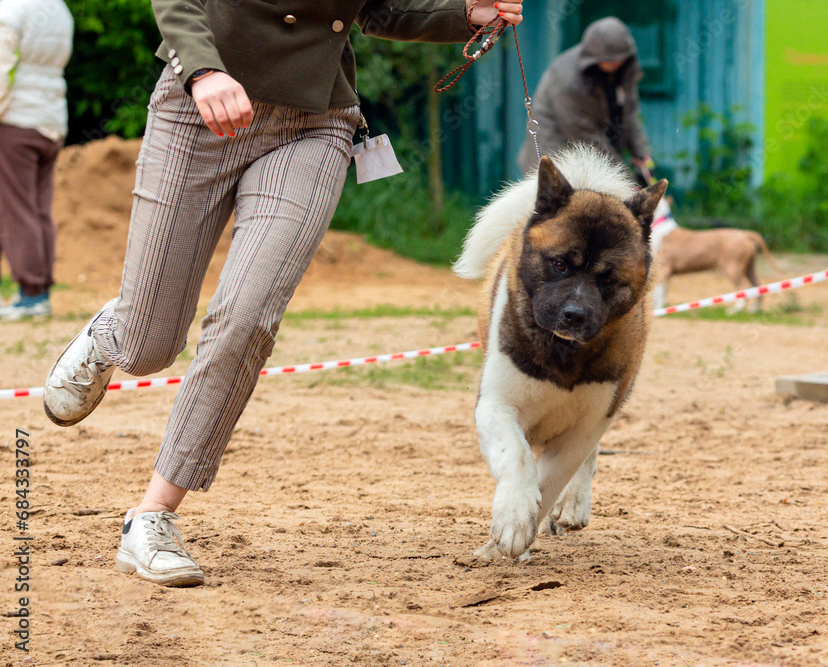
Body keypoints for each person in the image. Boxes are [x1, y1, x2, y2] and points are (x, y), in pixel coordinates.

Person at [42, 0, 524, 587]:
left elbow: (378, 7)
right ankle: (112, 334)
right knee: (149, 346)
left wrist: (463, 13)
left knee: (247, 318)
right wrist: (202, 70)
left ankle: (152, 516)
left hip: (315, 124)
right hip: (198, 106)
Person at [0, 0, 73, 321]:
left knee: (18, 209)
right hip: (52, 121)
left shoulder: (12, 9)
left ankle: (30, 296)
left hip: (16, 120)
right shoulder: (61, 10)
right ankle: (39, 292)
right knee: (38, 208)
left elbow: (1, 64)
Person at [516, 16, 652, 177]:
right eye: (609, 59)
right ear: (594, 57)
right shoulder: (567, 80)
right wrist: (626, 178)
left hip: (592, 154)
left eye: (619, 58)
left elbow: (629, 114)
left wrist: (643, 155)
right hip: (556, 152)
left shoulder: (624, 71)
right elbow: (586, 138)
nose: (615, 62)